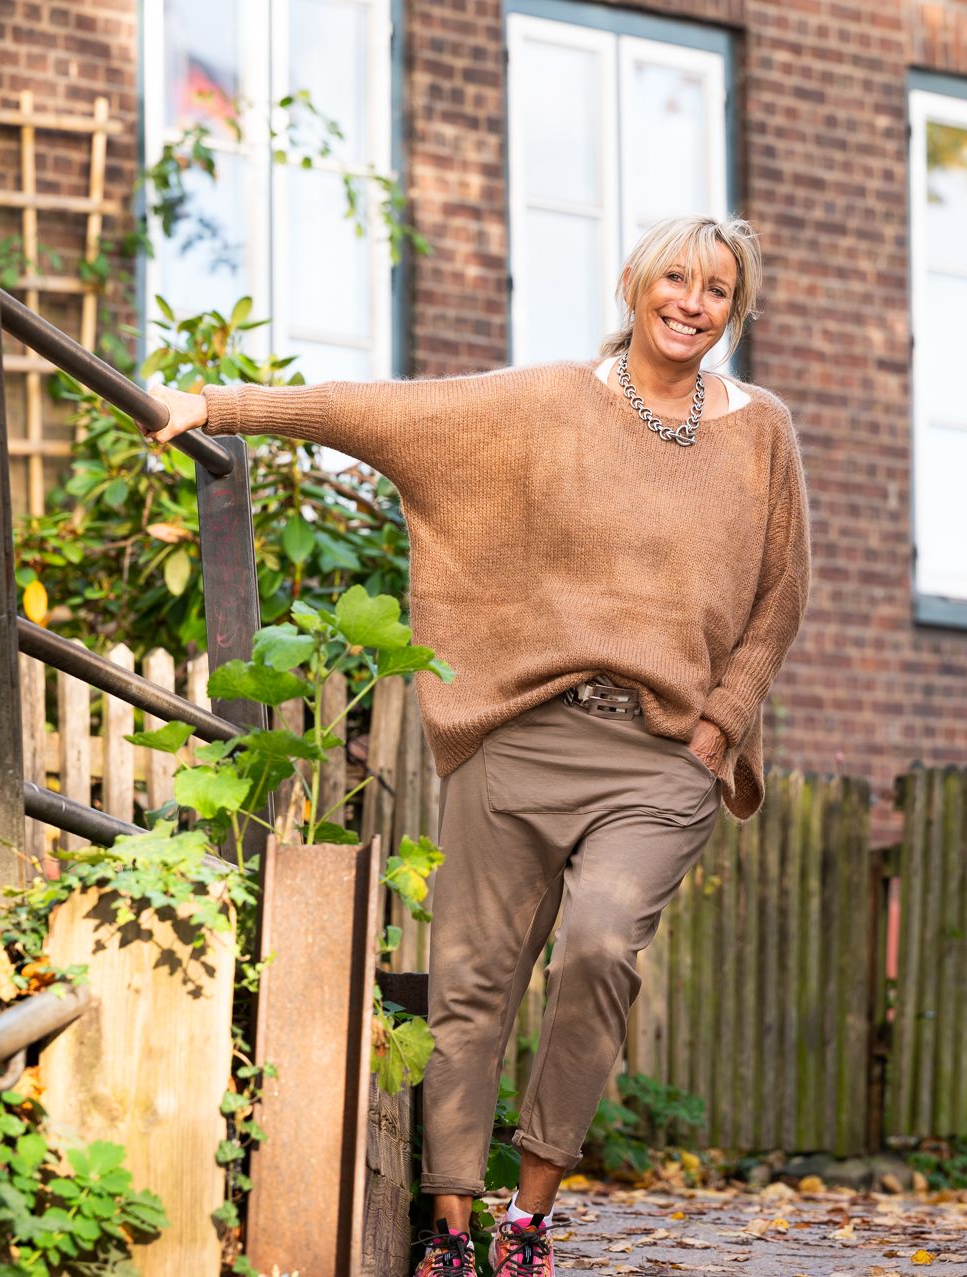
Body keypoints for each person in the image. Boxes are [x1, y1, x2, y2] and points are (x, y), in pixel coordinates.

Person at [148, 214, 811, 1277]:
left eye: (718, 289)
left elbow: (780, 601)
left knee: (599, 945)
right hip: (524, 735)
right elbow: (380, 414)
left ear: (738, 308)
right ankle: (455, 1228)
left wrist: (718, 728)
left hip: (664, 755)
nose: (692, 302)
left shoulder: (761, 430)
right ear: (634, 284)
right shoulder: (549, 401)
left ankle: (531, 1212)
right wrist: (218, 406)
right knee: (471, 982)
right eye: (675, 278)